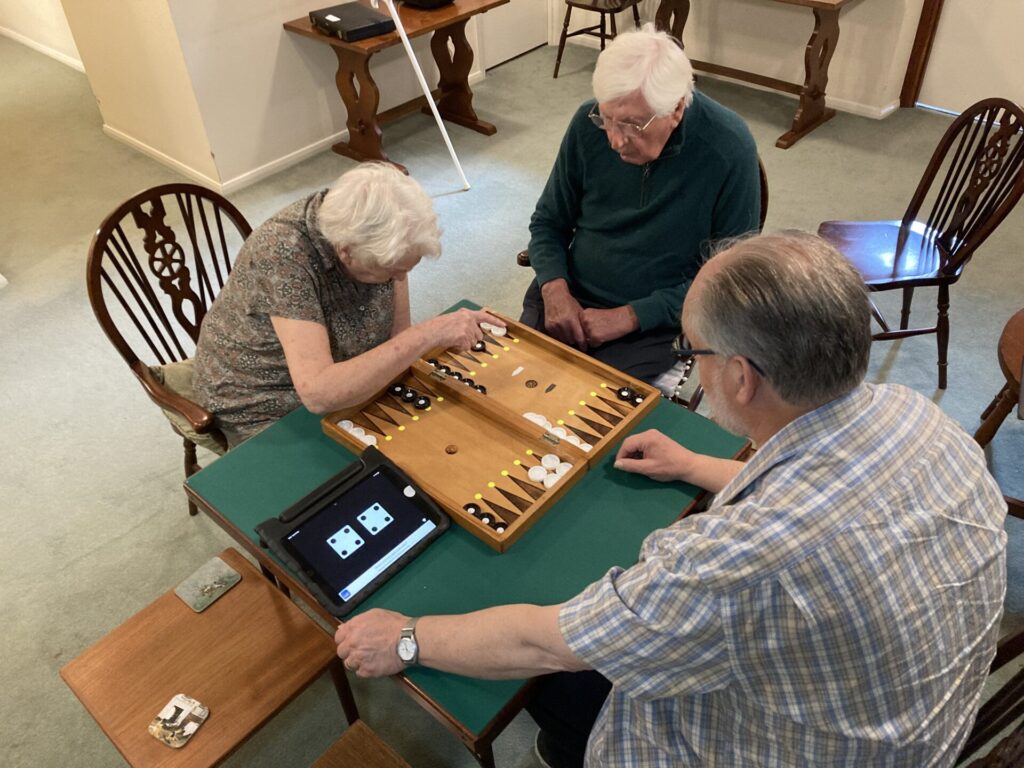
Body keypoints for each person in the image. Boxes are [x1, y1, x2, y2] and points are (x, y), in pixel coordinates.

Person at [334, 232, 1007, 768]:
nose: (692, 364)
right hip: (919, 735)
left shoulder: (732, 560)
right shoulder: (923, 419)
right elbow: (841, 492)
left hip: (784, 748)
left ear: (741, 378)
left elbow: (546, 643)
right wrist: (698, 465)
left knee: (549, 684)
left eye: (695, 349)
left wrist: (408, 638)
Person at [193, 163, 502, 447]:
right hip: (262, 399)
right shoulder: (282, 255)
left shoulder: (380, 223)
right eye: (393, 271)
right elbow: (318, 394)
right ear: (346, 252)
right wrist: (430, 333)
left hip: (341, 366)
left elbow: (398, 337)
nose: (400, 279)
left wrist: (422, 342)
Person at [522, 24, 760, 386]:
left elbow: (730, 281)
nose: (616, 140)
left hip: (655, 322)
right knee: (510, 386)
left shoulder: (728, 147)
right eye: (608, 120)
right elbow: (547, 222)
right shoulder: (587, 126)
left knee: (594, 420)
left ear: (677, 108)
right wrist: (554, 289)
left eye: (633, 124)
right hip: (568, 298)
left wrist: (631, 316)